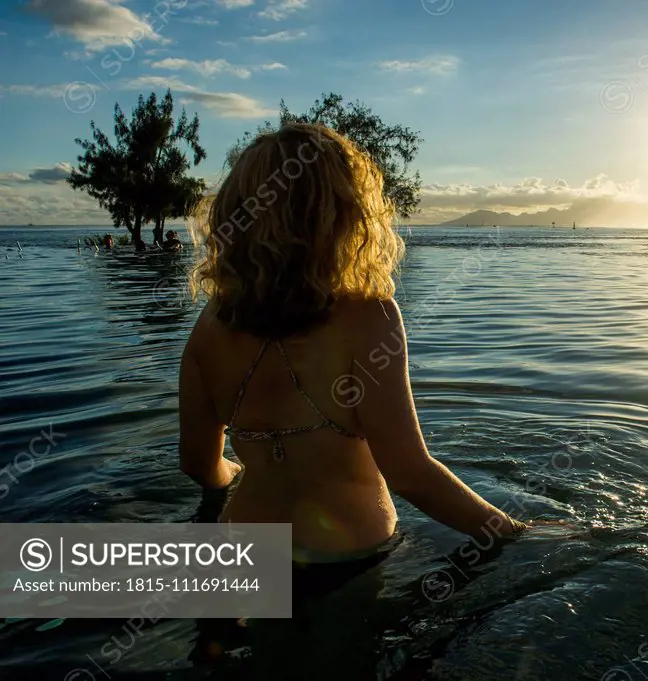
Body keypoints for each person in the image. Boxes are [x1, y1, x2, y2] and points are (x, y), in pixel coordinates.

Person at [180, 122, 528, 570]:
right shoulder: (369, 318)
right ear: (343, 215)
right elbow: (409, 473)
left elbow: (196, 463)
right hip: (347, 556)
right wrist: (514, 534)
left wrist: (240, 472)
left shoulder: (210, 325)